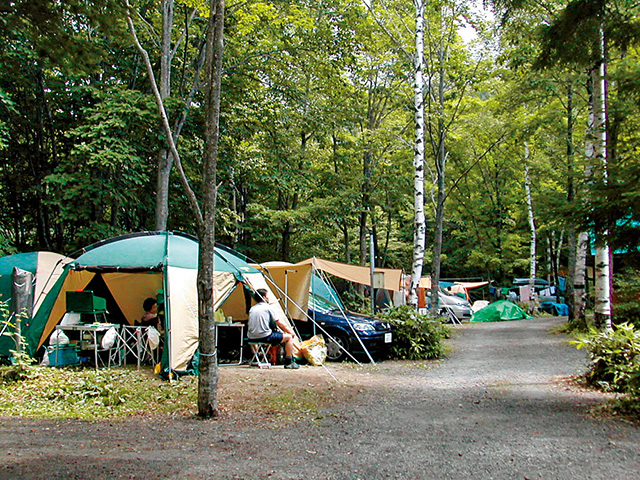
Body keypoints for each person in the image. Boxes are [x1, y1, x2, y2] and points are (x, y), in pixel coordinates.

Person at [247, 288, 299, 369]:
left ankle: (256, 356)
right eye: (267, 296)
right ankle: (289, 361)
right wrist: (290, 332)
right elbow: (279, 323)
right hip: (265, 336)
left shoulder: (252, 309)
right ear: (264, 297)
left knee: (259, 335)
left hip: (251, 337)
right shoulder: (268, 308)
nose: (268, 298)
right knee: (288, 338)